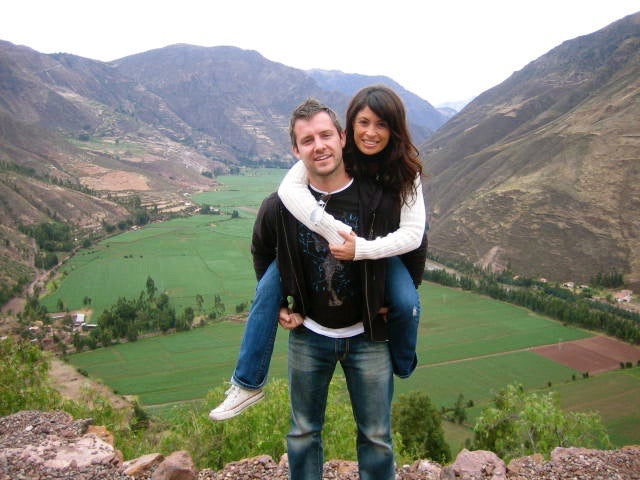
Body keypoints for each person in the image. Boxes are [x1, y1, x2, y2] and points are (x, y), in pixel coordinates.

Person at [209, 85, 426, 421]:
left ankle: (403, 362)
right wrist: (330, 230)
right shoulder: (335, 154)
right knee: (266, 290)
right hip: (318, 306)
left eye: (381, 124)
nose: (370, 132)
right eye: (364, 122)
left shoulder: (405, 171)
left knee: (407, 301)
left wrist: (364, 253)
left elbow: (415, 237)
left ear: (394, 129)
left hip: (379, 252)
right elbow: (288, 189)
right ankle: (247, 383)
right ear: (349, 129)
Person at [251, 98, 425, 479]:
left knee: (377, 436)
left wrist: (399, 296)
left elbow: (413, 243)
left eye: (326, 135)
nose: (319, 146)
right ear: (295, 150)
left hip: (368, 336)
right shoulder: (281, 204)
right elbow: (262, 250)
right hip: (309, 336)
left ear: (342, 137)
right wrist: (278, 303)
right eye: (308, 140)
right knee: (302, 432)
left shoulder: (377, 195)